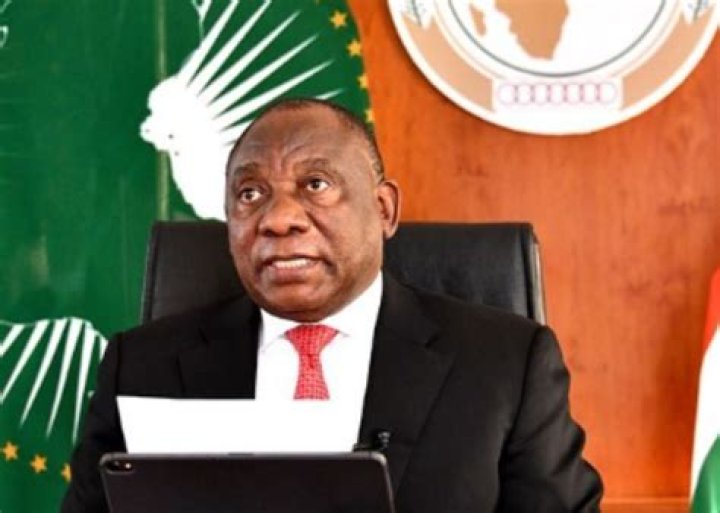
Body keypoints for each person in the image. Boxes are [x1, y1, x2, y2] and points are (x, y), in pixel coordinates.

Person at [61, 98, 603, 512]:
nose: (278, 219)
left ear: (384, 209)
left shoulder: (506, 364)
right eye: (250, 194)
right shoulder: (142, 366)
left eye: (315, 184)